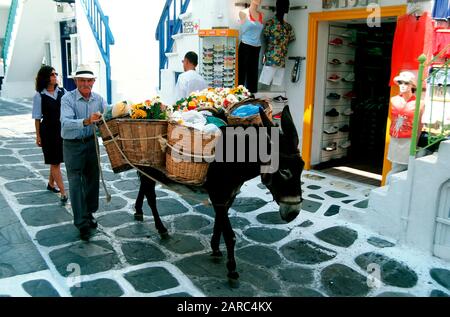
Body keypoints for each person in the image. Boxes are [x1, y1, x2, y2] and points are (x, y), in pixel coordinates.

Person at [60, 64, 106, 241]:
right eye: (82, 80)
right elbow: (66, 122)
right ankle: (81, 223)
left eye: (89, 80)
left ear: (93, 81)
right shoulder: (67, 99)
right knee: (76, 182)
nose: (86, 83)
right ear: (76, 81)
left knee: (92, 180)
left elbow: (107, 118)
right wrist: (87, 121)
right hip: (72, 145)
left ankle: (89, 213)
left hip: (91, 143)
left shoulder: (99, 99)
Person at [32, 65, 68, 204]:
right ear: (45, 78)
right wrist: (38, 136)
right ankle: (63, 193)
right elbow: (37, 117)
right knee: (54, 162)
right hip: (47, 132)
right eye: (52, 74)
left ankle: (50, 184)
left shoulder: (63, 91)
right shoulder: (39, 96)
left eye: (55, 73)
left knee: (56, 161)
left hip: (61, 131)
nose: (55, 76)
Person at [386, 71, 424, 183]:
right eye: (400, 82)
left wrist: (416, 142)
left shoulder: (419, 103)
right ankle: (389, 189)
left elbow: (419, 124)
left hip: (408, 139)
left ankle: (389, 187)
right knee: (395, 167)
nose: (402, 85)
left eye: (406, 83)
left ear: (412, 85)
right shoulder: (394, 100)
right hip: (395, 138)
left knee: (403, 168)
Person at [259, 0, 295, 87]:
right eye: (286, 4)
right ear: (278, 6)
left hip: (282, 60)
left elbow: (291, 39)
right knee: (264, 84)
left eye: (288, 5)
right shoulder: (270, 23)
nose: (288, 7)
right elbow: (265, 37)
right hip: (271, 59)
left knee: (277, 85)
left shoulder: (288, 27)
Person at [238, 0, 264, 93]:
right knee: (242, 72)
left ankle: (252, 94)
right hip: (245, 45)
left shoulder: (261, 15)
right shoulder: (243, 13)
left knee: (253, 72)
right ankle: (239, 93)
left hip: (257, 47)